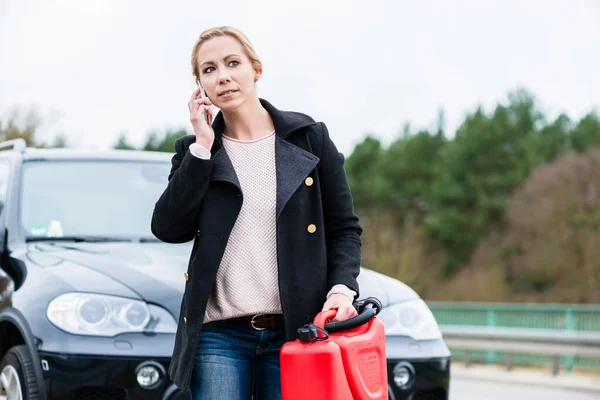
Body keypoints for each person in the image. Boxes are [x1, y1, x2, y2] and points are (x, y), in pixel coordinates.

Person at [151, 26, 363, 399]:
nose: (223, 76)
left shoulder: (310, 137)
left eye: (233, 63)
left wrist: (342, 290)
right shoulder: (196, 152)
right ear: (200, 86)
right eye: (210, 69)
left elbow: (344, 227)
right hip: (218, 336)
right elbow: (168, 227)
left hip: (297, 332)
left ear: (256, 70)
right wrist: (203, 147)